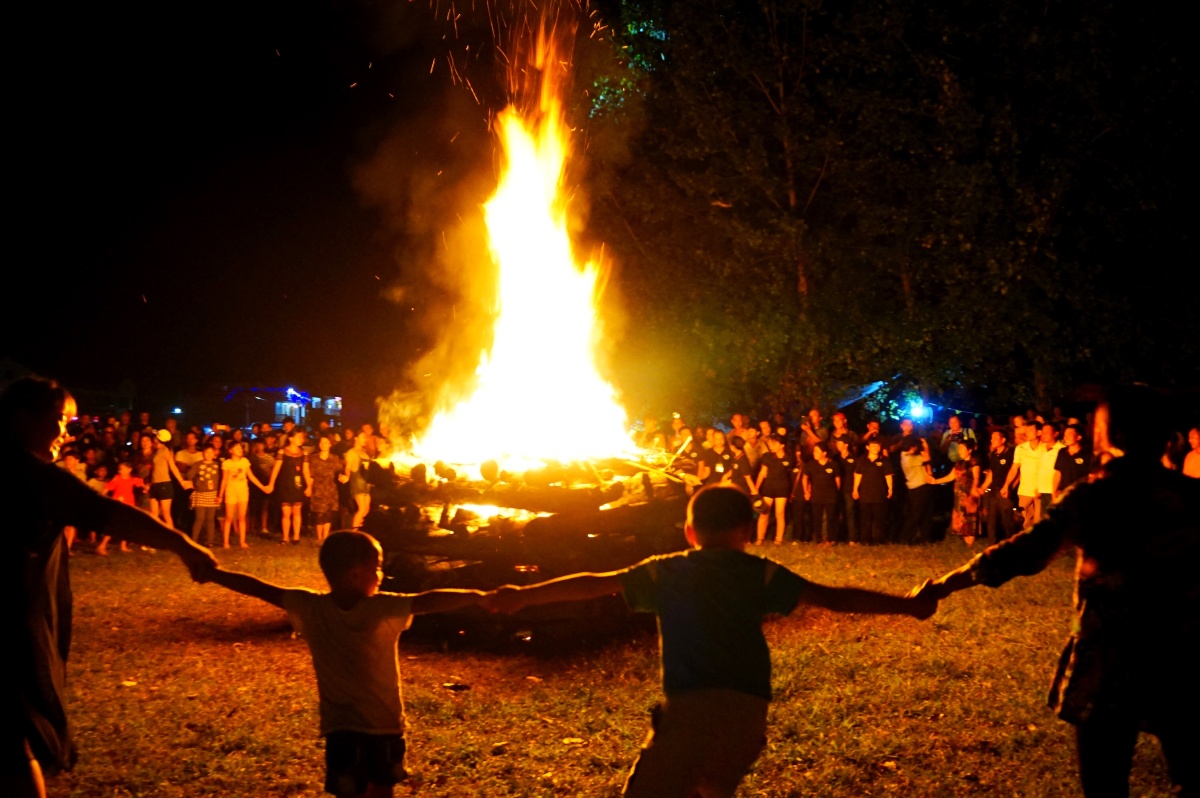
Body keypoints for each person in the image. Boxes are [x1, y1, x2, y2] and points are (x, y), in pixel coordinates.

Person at [485, 486, 936, 798]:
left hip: (690, 712)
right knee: (709, 788)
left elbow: (592, 584)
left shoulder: (667, 571)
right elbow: (834, 598)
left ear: (689, 531)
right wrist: (907, 605)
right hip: (747, 716)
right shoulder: (760, 573)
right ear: (747, 529)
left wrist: (523, 595)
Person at [916, 387, 1199, 797]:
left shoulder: (1095, 496)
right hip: (1181, 654)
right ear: (1167, 437)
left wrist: (944, 584)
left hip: (1111, 656)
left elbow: (1022, 553)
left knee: (1105, 781)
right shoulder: (1193, 497)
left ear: (1108, 436)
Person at [0, 377, 216, 798]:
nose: (65, 430)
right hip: (10, 625)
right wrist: (181, 543)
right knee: (14, 738)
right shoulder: (32, 476)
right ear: (24, 418)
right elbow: (106, 513)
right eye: (58, 419)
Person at [197, 531, 485, 798]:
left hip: (340, 727)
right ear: (356, 574)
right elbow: (429, 601)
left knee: (349, 790)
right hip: (383, 724)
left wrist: (214, 575)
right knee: (382, 788)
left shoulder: (311, 607)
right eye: (377, 567)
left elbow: (260, 589)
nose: (381, 574)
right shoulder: (382, 608)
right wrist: (481, 597)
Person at [220, 442, 270, 548]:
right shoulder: (227, 463)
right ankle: (226, 542)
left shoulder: (244, 461)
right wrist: (220, 495)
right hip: (231, 491)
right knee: (229, 517)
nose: (240, 450)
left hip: (243, 491)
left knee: (242, 517)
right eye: (237, 448)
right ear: (230, 451)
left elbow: (251, 477)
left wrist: (262, 487)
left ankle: (242, 541)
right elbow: (224, 480)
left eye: (241, 448)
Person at [269, 429, 310, 544]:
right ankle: (285, 537)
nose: (301, 440)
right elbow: (276, 469)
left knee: (297, 510)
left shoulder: (304, 453)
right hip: (285, 484)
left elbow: (306, 471)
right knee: (286, 512)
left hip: (298, 484)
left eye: (302, 437)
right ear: (291, 438)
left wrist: (309, 486)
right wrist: (271, 484)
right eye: (298, 437)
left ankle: (296, 537)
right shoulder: (282, 452)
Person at [749, 434, 793, 544]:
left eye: (774, 443)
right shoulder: (767, 456)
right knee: (764, 513)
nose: (771, 445)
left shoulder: (788, 458)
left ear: (781, 445)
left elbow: (791, 475)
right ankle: (760, 539)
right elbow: (763, 472)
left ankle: (778, 539)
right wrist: (756, 488)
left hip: (782, 488)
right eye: (770, 443)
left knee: (780, 513)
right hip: (768, 487)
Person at [853, 437, 894, 545]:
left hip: (879, 493)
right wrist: (855, 489)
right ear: (867, 447)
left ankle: (878, 540)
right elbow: (858, 475)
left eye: (877, 445)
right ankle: (865, 540)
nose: (875, 448)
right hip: (865, 493)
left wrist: (890, 488)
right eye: (873, 446)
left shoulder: (884, 460)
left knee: (879, 518)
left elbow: (888, 475)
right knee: (865, 518)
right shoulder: (862, 459)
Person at [307, 435, 342, 544]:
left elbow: (340, 471)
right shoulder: (313, 458)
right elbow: (309, 474)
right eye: (321, 442)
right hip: (318, 488)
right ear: (319, 445)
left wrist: (342, 476)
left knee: (328, 513)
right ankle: (319, 537)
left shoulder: (334, 458)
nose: (324, 445)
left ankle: (326, 537)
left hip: (330, 488)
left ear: (330, 445)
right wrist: (309, 486)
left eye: (326, 442)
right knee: (319, 513)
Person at [186, 445, 222, 547]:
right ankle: (194, 540)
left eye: (211, 452)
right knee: (199, 518)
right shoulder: (197, 464)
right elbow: (189, 475)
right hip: (200, 493)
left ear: (214, 454)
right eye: (207, 452)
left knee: (210, 519)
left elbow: (220, 479)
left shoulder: (217, 465)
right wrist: (194, 482)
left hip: (213, 494)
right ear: (203, 453)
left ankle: (210, 541)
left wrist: (219, 494)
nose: (209, 454)